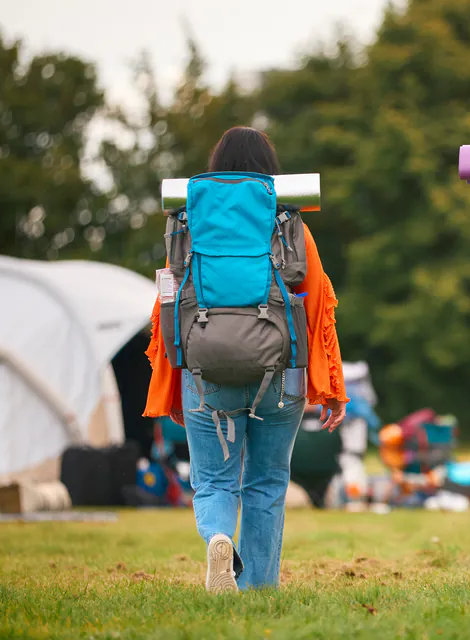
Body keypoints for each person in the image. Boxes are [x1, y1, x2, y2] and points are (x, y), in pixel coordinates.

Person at [143, 126, 349, 593]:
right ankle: (257, 590)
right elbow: (319, 308)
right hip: (280, 378)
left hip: (205, 372)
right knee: (268, 483)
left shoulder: (188, 225)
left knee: (214, 480)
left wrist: (172, 380)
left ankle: (219, 538)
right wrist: (332, 387)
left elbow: (167, 307)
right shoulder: (289, 224)